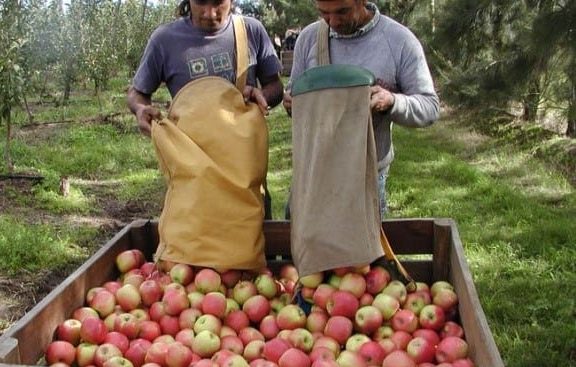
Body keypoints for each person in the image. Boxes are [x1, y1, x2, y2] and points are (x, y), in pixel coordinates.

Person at [127, 0, 284, 219]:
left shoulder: (250, 31)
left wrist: (263, 96)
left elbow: (275, 86)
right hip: (193, 175)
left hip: (245, 174)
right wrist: (141, 108)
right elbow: (137, 93)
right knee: (200, 243)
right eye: (200, 2)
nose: (210, 13)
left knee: (253, 242)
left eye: (219, 3)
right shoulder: (164, 40)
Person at [283, 0, 439, 219]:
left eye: (342, 12)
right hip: (312, 176)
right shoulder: (309, 38)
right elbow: (293, 92)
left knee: (365, 253)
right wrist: (291, 102)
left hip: (367, 180)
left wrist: (393, 101)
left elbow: (430, 107)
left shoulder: (398, 41)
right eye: (324, 13)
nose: (333, 22)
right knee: (303, 252)